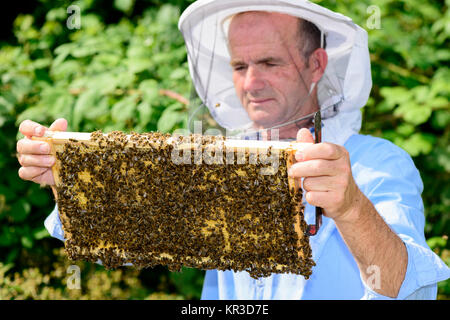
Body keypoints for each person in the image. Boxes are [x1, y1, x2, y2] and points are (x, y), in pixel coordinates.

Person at [16, 0, 449, 299]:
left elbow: (410, 289)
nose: (250, 83)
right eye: (240, 66)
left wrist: (352, 207)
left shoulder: (378, 164)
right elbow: (136, 238)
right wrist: (70, 179)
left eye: (270, 63)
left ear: (317, 64)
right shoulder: (219, 162)